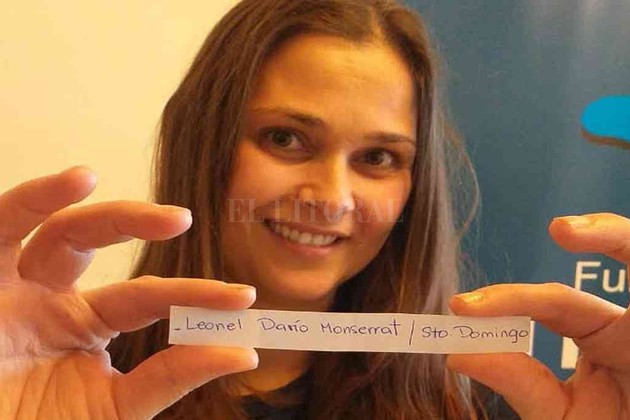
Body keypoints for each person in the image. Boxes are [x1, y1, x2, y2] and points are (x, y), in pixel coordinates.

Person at [1, 0, 629, 419]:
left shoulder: (475, 403)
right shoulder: (66, 381)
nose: (330, 197)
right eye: (285, 138)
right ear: (204, 143)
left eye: (378, 157)